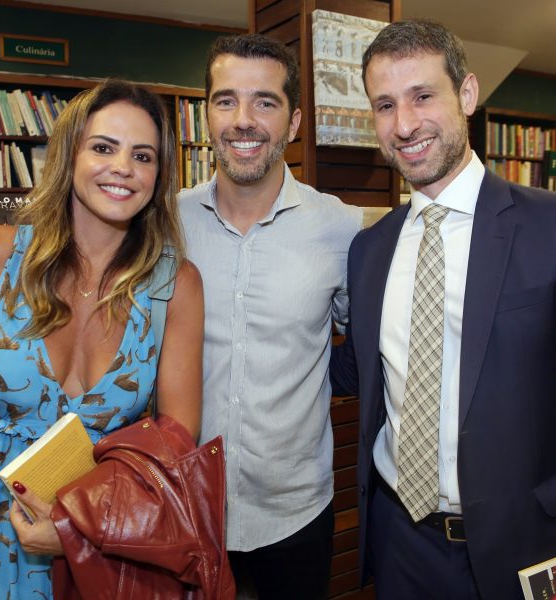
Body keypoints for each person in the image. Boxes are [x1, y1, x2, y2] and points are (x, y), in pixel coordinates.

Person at [331, 19, 556, 600]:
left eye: (423, 96)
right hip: (401, 544)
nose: (404, 125)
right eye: (384, 105)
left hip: (526, 545)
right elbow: (361, 373)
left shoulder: (547, 226)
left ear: (467, 94)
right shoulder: (369, 250)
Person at [0, 79, 204, 599]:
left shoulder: (174, 284)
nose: (123, 168)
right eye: (103, 147)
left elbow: (174, 446)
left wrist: (75, 530)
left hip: (104, 548)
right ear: (69, 156)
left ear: (159, 176)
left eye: (143, 155)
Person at [178, 34, 362, 599]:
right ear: (205, 113)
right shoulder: (167, 222)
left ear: (295, 120)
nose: (244, 120)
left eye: (265, 102)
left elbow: (365, 348)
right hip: (184, 508)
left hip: (295, 512)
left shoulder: (341, 227)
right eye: (226, 100)